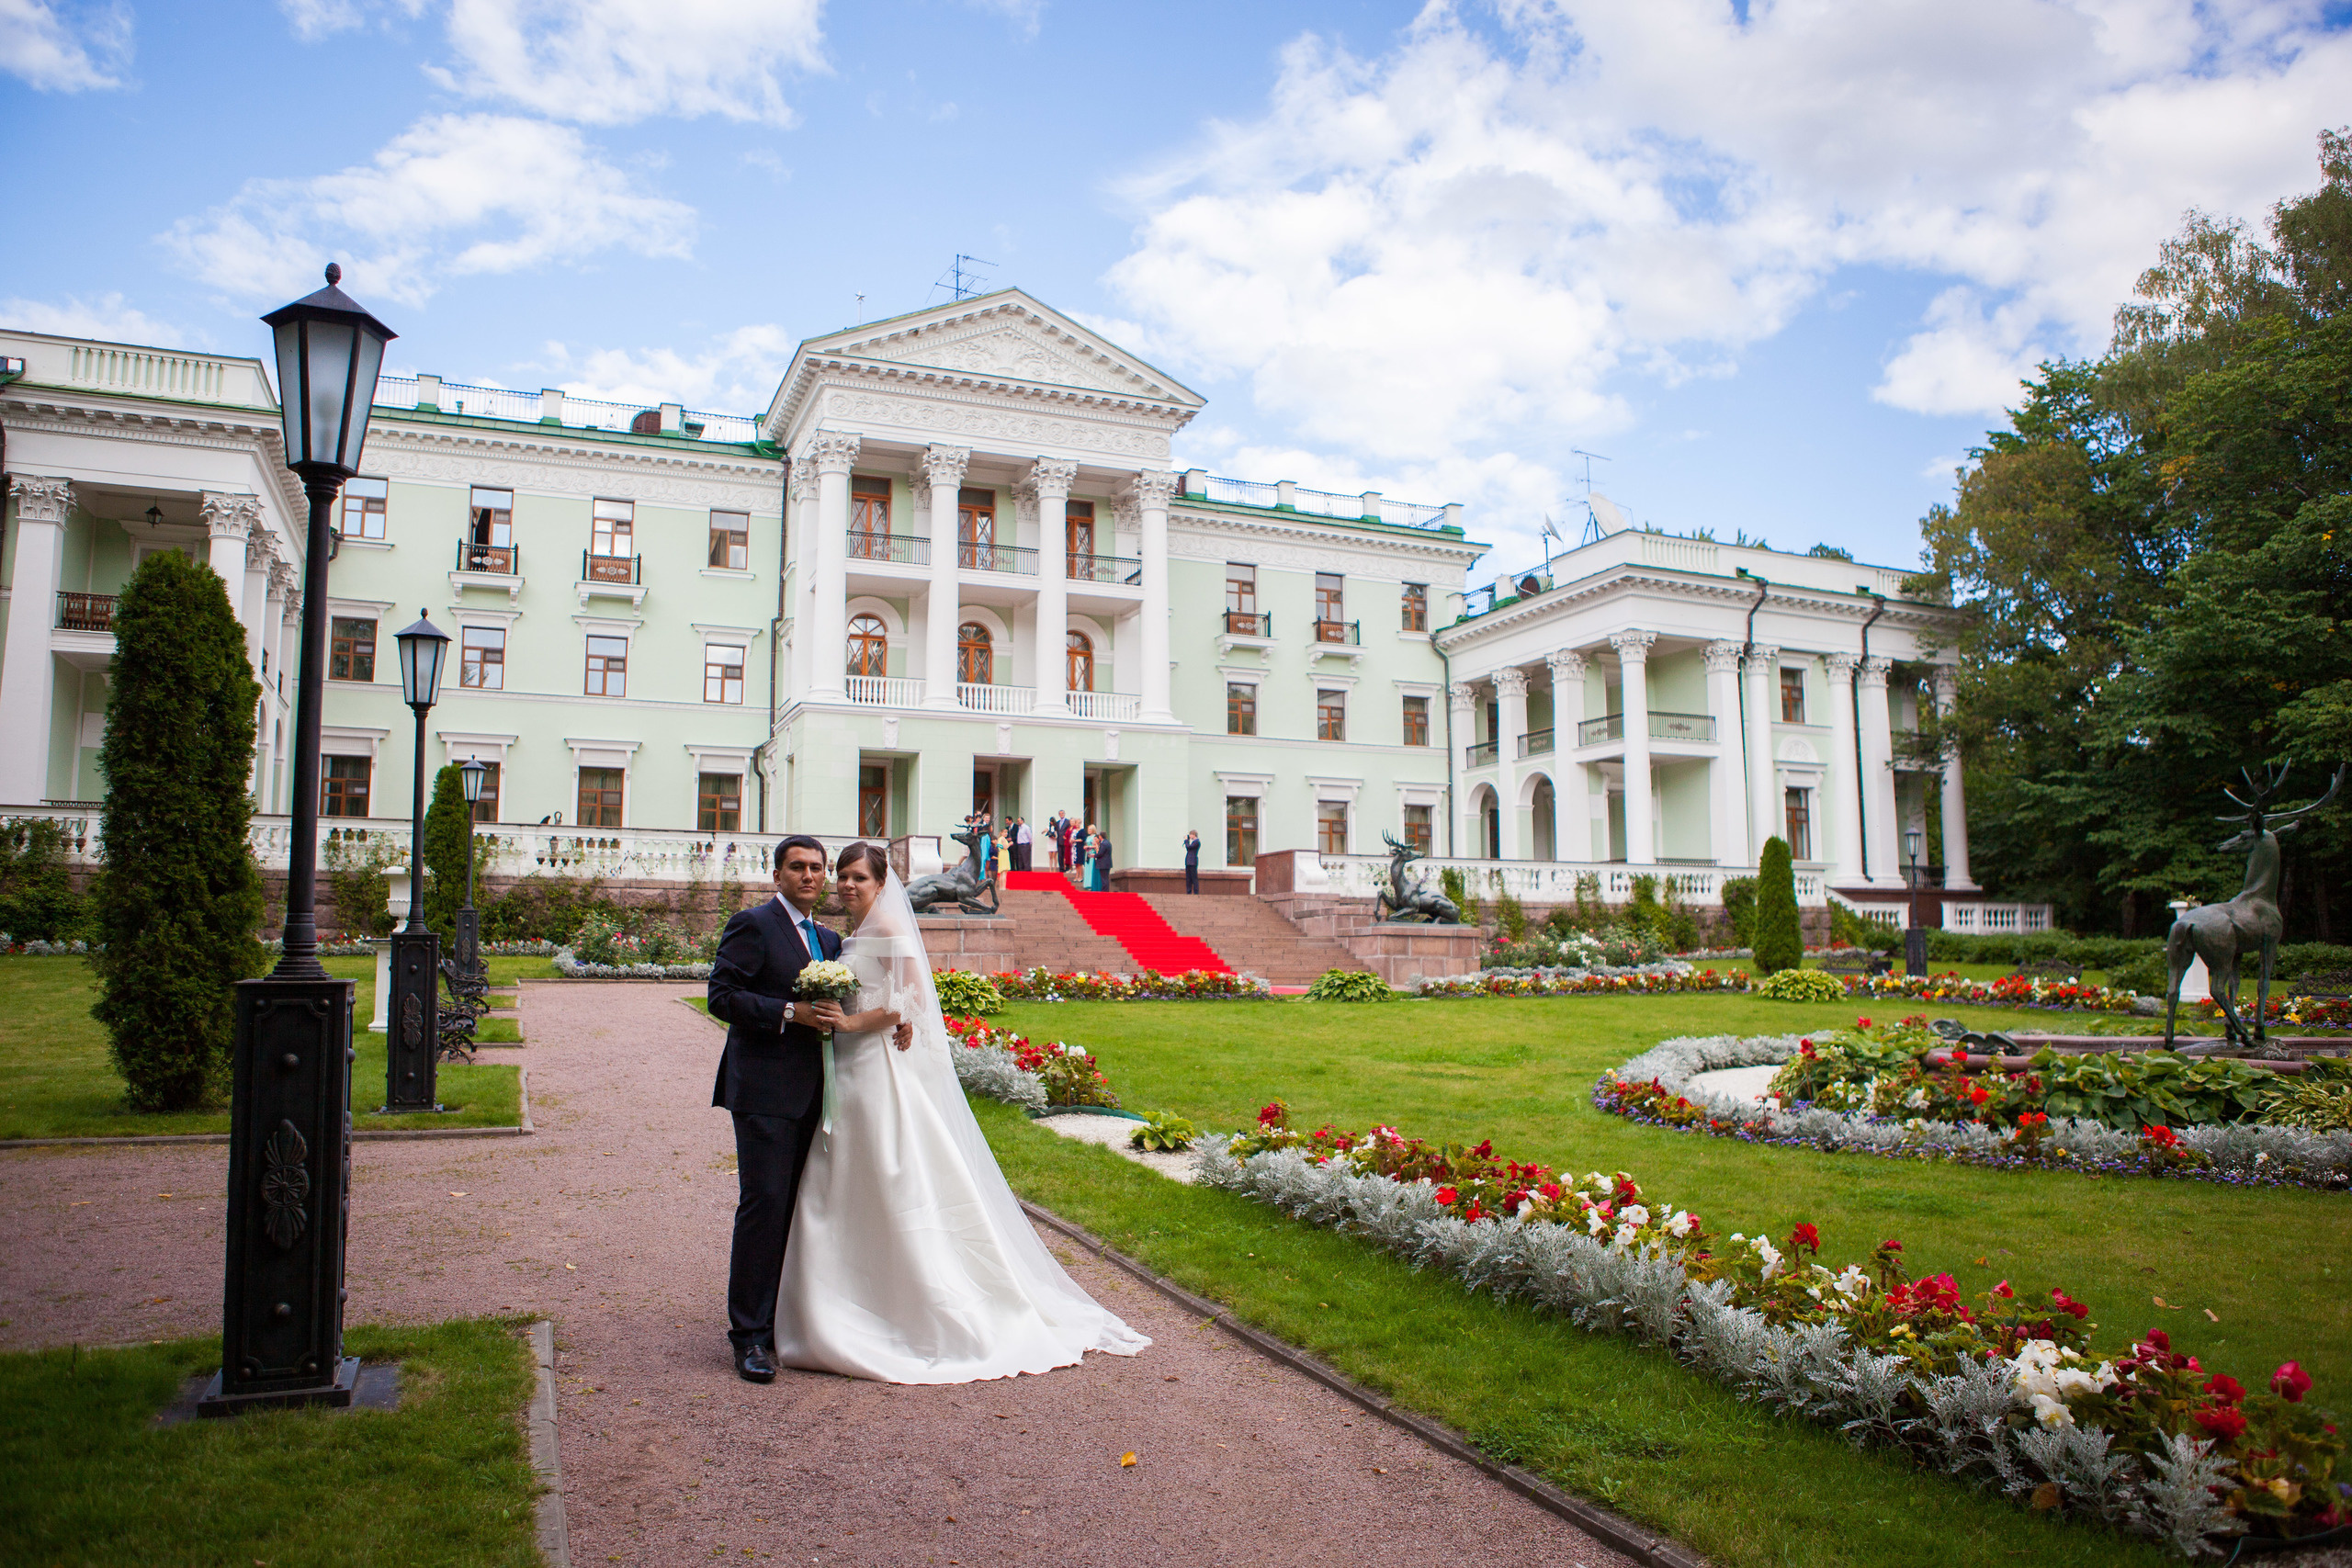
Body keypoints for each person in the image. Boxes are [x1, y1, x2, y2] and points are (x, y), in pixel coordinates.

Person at [770, 841, 1149, 1382]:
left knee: (890, 1172)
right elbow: (888, 1002)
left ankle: (905, 1303)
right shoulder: (842, 939)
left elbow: (915, 1001)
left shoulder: (893, 933)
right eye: (844, 877)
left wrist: (858, 1023)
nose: (848, 885)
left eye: (860, 878)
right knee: (843, 1180)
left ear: (881, 885)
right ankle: (842, 1297)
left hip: (877, 1071)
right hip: (846, 1070)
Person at [706, 835, 910, 1384]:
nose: (811, 876)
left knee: (801, 1212)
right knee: (765, 1206)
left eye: (818, 868)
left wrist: (901, 1013)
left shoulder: (828, 938)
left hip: (821, 1094)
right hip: (764, 1095)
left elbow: (862, 999)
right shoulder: (753, 924)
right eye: (798, 867)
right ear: (777, 874)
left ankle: (779, 1319)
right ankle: (747, 1337)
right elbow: (722, 996)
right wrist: (789, 1012)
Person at [1183, 829, 1202, 894]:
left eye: (1190, 834)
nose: (1190, 836)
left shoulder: (1197, 842)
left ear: (1194, 835)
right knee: (1188, 878)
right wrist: (1187, 841)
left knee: (1194, 878)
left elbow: (1189, 847)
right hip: (1189, 861)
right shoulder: (1193, 842)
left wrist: (1186, 840)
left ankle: (1196, 892)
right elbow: (1188, 848)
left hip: (1193, 862)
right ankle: (1189, 891)